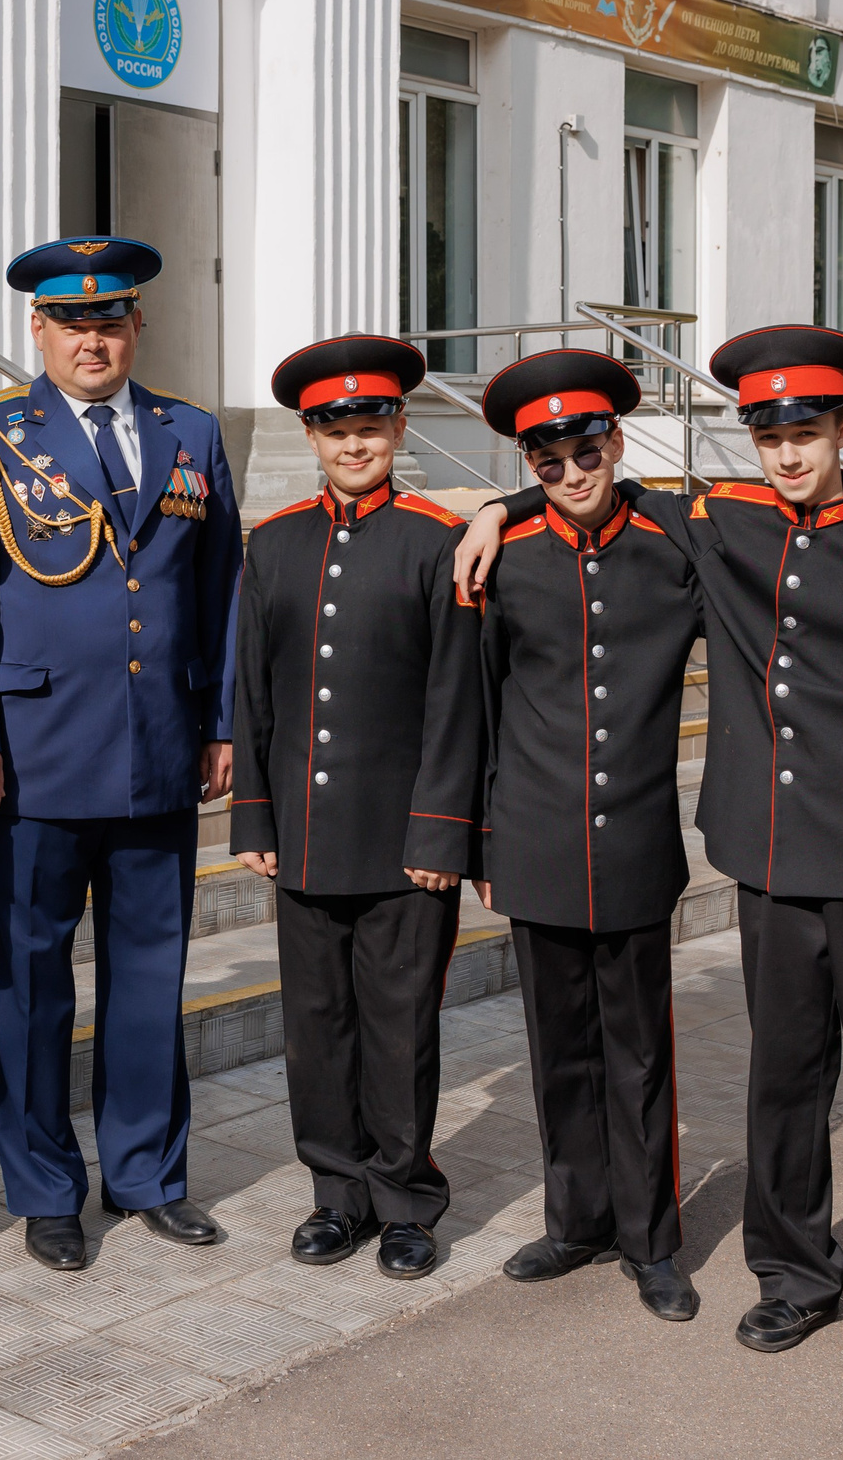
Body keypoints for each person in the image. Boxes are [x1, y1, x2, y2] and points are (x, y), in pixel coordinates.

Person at [453, 324, 843, 1389]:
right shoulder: (715, 519)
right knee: (783, 1084)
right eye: (767, 432)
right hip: (770, 855)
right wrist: (495, 503)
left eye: (807, 430)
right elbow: (593, 493)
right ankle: (792, 1274)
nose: (787, 453)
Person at [0, 235, 245, 1270]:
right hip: (33, 752)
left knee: (150, 972)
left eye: (109, 318)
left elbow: (221, 589)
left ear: (135, 324)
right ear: (38, 328)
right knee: (27, 980)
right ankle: (46, 1186)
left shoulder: (188, 429)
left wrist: (223, 719)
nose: (91, 337)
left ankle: (146, 1172)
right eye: (71, 320)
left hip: (158, 748)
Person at [230, 335, 480, 1281]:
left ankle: (407, 1196)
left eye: (371, 426)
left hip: (405, 840)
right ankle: (336, 1194)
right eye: (336, 430)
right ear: (312, 435)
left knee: (401, 1023)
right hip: (301, 832)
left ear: (398, 428)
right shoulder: (276, 540)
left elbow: (460, 700)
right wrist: (253, 817)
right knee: (318, 1024)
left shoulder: (436, 539)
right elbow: (250, 688)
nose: (355, 444)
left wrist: (441, 830)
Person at [472, 349, 705, 1321]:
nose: (571, 471)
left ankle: (650, 1238)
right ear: (528, 463)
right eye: (547, 458)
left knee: (638, 1048)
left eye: (587, 446)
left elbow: (783, 507)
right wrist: (481, 839)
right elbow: (478, 706)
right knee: (557, 1044)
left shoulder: (674, 540)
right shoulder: (504, 556)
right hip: (530, 835)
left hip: (636, 839)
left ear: (616, 440)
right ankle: (576, 1219)